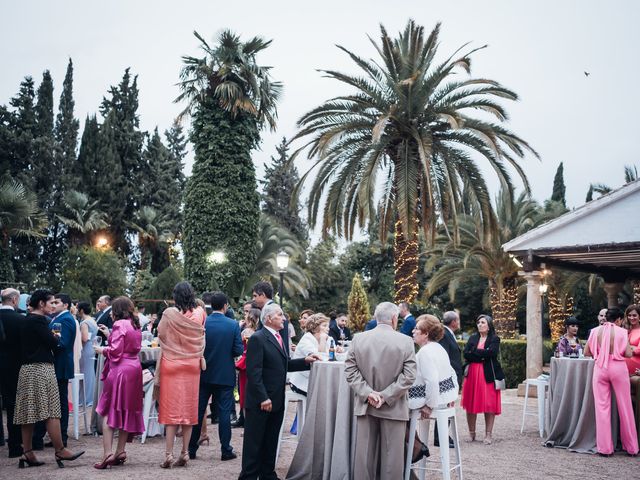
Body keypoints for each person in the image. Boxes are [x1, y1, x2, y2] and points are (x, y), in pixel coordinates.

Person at [238, 303, 318, 480]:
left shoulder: (278, 337)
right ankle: (249, 476)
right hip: (261, 402)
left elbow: (284, 364)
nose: (284, 318)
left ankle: (268, 474)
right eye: (280, 315)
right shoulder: (258, 338)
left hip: (276, 401)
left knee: (270, 441)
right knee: (254, 444)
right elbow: (254, 372)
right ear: (268, 319)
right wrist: (263, 398)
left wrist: (305, 360)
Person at [344, 302, 417, 480]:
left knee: (364, 456)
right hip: (394, 406)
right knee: (393, 457)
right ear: (394, 319)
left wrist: (368, 393)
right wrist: (385, 396)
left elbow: (349, 369)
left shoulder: (358, 339)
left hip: (366, 404)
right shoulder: (406, 341)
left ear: (376, 318)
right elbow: (409, 376)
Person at [13, 290, 84, 468]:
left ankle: (27, 452)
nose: (53, 306)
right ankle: (60, 450)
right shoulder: (38, 321)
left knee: (28, 413)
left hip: (27, 369)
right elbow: (54, 344)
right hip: (41, 369)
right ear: (41, 304)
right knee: (52, 411)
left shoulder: (26, 320)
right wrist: (55, 337)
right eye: (51, 303)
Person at [188, 291, 243, 461]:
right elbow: (238, 350)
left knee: (198, 412)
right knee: (225, 413)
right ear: (225, 306)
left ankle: (191, 449)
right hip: (225, 374)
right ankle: (226, 450)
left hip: (204, 373)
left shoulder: (204, 323)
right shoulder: (233, 324)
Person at [156, 281, 206, 468]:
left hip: (172, 363)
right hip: (192, 365)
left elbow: (160, 334)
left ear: (176, 296)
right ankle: (185, 452)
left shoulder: (170, 314)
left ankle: (168, 454)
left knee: (171, 411)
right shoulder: (200, 312)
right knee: (188, 409)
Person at [93, 296, 145, 469]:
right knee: (127, 410)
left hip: (120, 369)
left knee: (109, 409)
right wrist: (110, 336)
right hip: (134, 368)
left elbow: (115, 351)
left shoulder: (119, 324)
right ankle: (120, 451)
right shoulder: (135, 324)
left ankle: (108, 453)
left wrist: (102, 349)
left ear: (116, 310)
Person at [584, 307, 639, 456]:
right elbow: (628, 353)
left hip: (600, 369)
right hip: (618, 369)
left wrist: (599, 352)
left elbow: (586, 352)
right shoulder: (622, 332)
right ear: (618, 319)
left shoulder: (595, 331)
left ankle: (605, 449)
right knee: (625, 407)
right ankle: (632, 448)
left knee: (602, 408)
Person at [408, 315, 459, 460]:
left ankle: (415, 450)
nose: (413, 331)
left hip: (429, 403)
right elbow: (452, 374)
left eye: (417, 329)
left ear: (426, 334)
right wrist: (450, 395)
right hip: (443, 399)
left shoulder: (424, 352)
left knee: (396, 412)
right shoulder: (439, 348)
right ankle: (417, 447)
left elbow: (432, 381)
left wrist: (430, 405)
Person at [33, 293, 76, 448]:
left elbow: (61, 343)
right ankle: (56, 436)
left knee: (60, 402)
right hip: (56, 364)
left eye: (56, 302)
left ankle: (62, 437)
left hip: (60, 364)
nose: (53, 305)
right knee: (55, 402)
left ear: (65, 305)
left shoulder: (65, 319)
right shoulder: (57, 318)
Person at [461, 314, 504, 445]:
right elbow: (466, 353)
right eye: (478, 322)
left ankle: (488, 434)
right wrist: (482, 354)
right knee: (470, 403)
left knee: (489, 404)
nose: (479, 324)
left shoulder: (495, 339)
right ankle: (471, 433)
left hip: (488, 374)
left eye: (483, 322)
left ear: (489, 325)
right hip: (473, 374)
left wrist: (476, 353)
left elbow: (492, 353)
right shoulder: (473, 338)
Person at [0, 288, 23, 457]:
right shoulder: (19, 320)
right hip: (12, 367)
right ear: (14, 300)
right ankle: (15, 447)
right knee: (12, 405)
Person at [435, 310, 462, 448]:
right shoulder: (445, 334)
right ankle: (440, 437)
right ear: (453, 322)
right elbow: (444, 357)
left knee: (447, 405)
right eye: (457, 320)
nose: (458, 322)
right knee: (445, 405)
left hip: (452, 376)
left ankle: (441, 436)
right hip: (448, 377)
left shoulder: (448, 333)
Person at [290, 313, 331, 395]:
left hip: (316, 379)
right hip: (302, 383)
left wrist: (337, 350)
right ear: (315, 327)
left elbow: (331, 356)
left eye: (328, 326)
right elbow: (320, 360)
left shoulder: (327, 338)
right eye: (324, 326)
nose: (328, 328)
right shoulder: (307, 338)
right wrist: (323, 340)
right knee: (325, 394)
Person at [234, 307, 261, 428]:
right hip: (255, 363)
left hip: (246, 364)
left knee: (244, 395)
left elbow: (241, 347)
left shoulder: (246, 332)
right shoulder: (260, 332)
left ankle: (247, 425)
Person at [77, 301, 98, 407]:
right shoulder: (92, 320)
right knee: (89, 374)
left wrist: (76, 340)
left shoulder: (85, 322)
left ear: (81, 310)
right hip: (91, 348)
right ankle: (88, 398)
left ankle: (86, 399)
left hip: (86, 349)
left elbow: (84, 338)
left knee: (85, 374)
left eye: (77, 309)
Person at [625, 304, 640, 375]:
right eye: (629, 315)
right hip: (626, 359)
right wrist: (632, 347)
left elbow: (638, 350)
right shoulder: (625, 329)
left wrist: (627, 347)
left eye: (634, 315)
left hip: (637, 362)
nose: (631, 317)